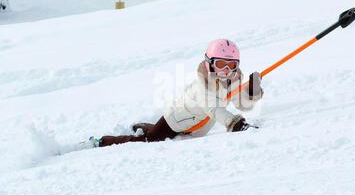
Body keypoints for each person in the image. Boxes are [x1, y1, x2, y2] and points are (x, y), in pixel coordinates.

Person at [93, 39, 264, 147]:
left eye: (232, 65)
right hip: (175, 120)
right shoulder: (202, 86)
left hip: (195, 128)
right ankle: (104, 141)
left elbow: (243, 106)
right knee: (148, 142)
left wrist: (251, 91)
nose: (226, 70)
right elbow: (213, 109)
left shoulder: (231, 81)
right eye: (221, 64)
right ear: (209, 63)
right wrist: (236, 125)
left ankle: (145, 127)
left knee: (159, 134)